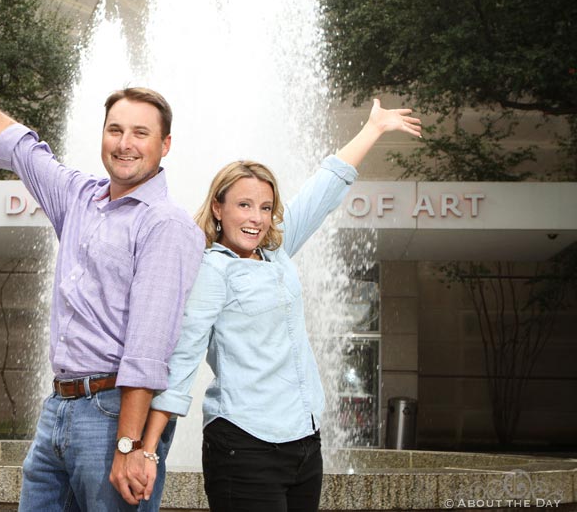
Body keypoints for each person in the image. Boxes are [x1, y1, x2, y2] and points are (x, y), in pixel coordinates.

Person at [0, 41, 205, 511]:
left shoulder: (165, 224)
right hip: (59, 410)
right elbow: (22, 150)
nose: (124, 143)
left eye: (139, 133)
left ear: (164, 144)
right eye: (115, 130)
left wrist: (129, 447)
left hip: (114, 413)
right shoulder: (79, 198)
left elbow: (149, 348)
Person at [140, 99, 422, 512]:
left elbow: (322, 191)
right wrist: (148, 449)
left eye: (266, 208)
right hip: (244, 444)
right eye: (244, 205)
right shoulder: (211, 270)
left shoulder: (276, 252)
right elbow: (183, 360)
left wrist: (373, 129)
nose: (257, 218)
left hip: (304, 444)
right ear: (218, 208)